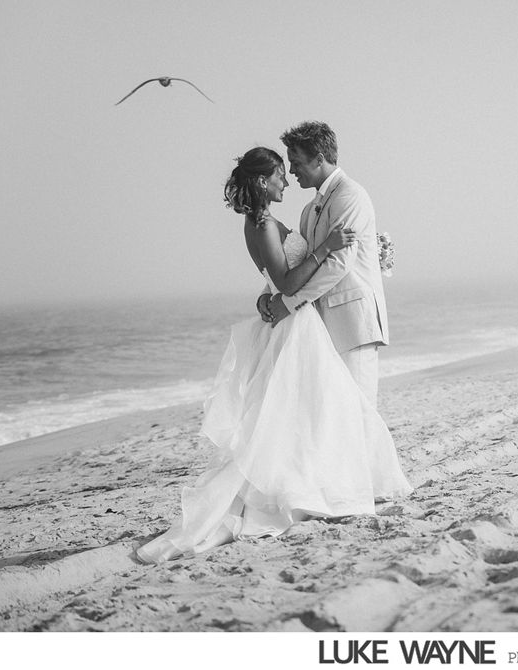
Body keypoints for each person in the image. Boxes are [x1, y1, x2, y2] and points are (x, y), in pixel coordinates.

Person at [135, 147, 412, 564]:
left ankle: (322, 483)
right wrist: (326, 249)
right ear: (264, 182)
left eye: (290, 170)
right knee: (303, 412)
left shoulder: (268, 220)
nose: (287, 180)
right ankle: (305, 492)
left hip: (302, 321)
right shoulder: (263, 223)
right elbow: (283, 280)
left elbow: (274, 279)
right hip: (295, 325)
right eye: (281, 174)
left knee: (307, 413)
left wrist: (269, 295)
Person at [261, 122, 388, 407]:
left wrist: (291, 303)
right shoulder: (309, 209)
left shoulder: (350, 196)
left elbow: (338, 263)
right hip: (320, 329)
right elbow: (299, 261)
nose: (291, 171)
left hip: (353, 324)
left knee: (358, 414)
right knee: (332, 418)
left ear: (319, 158)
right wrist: (267, 294)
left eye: (295, 162)